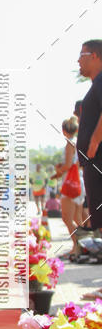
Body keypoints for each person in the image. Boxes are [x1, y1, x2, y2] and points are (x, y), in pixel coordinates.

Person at [77, 41, 102, 233]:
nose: (78, 61)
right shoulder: (96, 84)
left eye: (82, 55)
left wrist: (94, 142)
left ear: (94, 56)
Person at [55, 116, 85, 259]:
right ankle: (83, 245)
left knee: (67, 218)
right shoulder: (79, 143)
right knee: (77, 218)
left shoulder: (69, 144)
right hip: (79, 181)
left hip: (70, 183)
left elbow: (67, 165)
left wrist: (59, 170)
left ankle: (77, 245)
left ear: (63, 130)